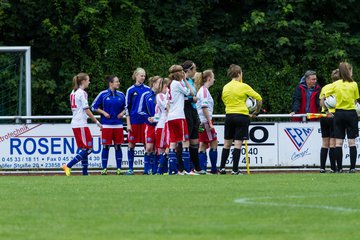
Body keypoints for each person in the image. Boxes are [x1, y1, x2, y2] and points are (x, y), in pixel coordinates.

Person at [220, 64, 262, 175]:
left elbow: (224, 100)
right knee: (238, 144)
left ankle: (222, 168)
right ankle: (234, 170)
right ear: (239, 73)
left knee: (226, 143)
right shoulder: (243, 86)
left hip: (229, 115)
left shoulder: (226, 87)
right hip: (241, 116)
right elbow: (259, 98)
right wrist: (256, 111)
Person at [62, 73, 103, 176]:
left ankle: (85, 173)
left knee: (84, 149)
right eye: (88, 80)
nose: (89, 82)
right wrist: (97, 122)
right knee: (89, 149)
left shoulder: (73, 92)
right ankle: (68, 165)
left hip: (76, 123)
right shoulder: (82, 93)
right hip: (81, 124)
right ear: (83, 81)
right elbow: (87, 110)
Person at [325, 62, 359, 173]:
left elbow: (326, 96)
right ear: (349, 71)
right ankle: (352, 168)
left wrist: (331, 102)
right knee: (352, 142)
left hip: (339, 114)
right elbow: (355, 100)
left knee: (338, 143)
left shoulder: (336, 84)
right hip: (351, 114)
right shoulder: (354, 84)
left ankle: (339, 168)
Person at [91, 75, 126, 175]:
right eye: (116, 81)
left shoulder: (121, 95)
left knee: (118, 146)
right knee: (106, 147)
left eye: (118, 81)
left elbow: (127, 107)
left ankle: (119, 169)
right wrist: (103, 113)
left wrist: (122, 113)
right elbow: (93, 106)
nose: (118, 83)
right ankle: (104, 169)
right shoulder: (103, 94)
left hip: (118, 125)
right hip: (106, 125)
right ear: (111, 83)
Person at [167, 65, 197, 175]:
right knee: (185, 141)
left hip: (170, 117)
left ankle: (173, 170)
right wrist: (185, 80)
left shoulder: (170, 85)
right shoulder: (178, 83)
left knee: (173, 142)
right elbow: (191, 93)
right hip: (179, 116)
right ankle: (187, 170)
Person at [177, 60, 201, 173]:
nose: (195, 71)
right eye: (194, 69)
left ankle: (196, 167)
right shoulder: (180, 82)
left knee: (194, 141)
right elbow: (181, 97)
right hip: (185, 110)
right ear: (189, 70)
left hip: (193, 111)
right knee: (184, 140)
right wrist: (192, 99)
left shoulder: (190, 81)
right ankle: (182, 168)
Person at [125, 67, 150, 175]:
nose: (143, 77)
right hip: (134, 121)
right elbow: (127, 107)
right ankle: (130, 168)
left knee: (147, 145)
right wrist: (128, 123)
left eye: (144, 75)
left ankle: (147, 168)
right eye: (141, 75)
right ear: (136, 76)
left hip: (145, 122)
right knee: (131, 144)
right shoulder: (130, 90)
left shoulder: (148, 89)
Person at [195, 69, 218, 174]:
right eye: (213, 77)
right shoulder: (204, 91)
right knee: (213, 142)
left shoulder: (202, 90)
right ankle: (213, 169)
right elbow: (204, 107)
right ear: (209, 78)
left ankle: (203, 169)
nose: (214, 79)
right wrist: (210, 122)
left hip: (201, 122)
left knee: (203, 143)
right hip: (205, 121)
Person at [139, 76, 162, 174]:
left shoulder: (162, 95)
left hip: (160, 125)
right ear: (153, 83)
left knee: (158, 148)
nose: (160, 85)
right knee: (149, 147)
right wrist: (148, 118)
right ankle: (146, 169)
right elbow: (140, 110)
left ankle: (156, 169)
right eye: (158, 83)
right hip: (150, 125)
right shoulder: (146, 95)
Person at [318, 69, 340, 173]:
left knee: (324, 143)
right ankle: (333, 168)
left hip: (324, 115)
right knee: (333, 144)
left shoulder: (325, 87)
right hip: (335, 116)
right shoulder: (340, 87)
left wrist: (326, 109)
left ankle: (322, 168)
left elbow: (321, 102)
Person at [154, 78, 171, 174]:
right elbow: (166, 106)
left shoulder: (166, 95)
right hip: (161, 125)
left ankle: (163, 170)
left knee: (167, 147)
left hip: (166, 124)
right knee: (161, 149)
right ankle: (159, 170)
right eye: (166, 86)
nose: (167, 88)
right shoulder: (160, 96)